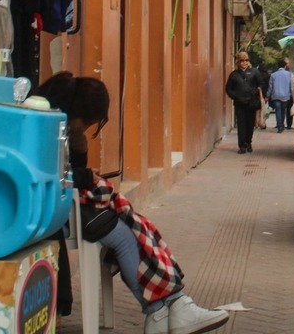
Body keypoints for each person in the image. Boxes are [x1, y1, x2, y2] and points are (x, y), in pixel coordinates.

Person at [33, 73, 228, 334]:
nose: (86, 128)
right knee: (125, 235)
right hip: (49, 211)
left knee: (135, 227)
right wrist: (83, 173)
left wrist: (79, 152)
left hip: (63, 206)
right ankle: (165, 307)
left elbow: (69, 172)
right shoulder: (42, 127)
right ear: (75, 111)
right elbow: (54, 175)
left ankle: (168, 306)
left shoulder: (59, 127)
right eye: (87, 122)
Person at [225, 51, 260, 153]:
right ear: (238, 62)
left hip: (251, 103)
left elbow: (261, 84)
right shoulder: (234, 75)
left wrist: (256, 92)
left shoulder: (254, 72)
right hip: (240, 103)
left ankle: (248, 142)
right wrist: (235, 97)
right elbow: (228, 89)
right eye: (242, 60)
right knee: (241, 125)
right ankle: (242, 146)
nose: (244, 62)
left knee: (250, 124)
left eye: (246, 60)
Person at [267, 57, 293, 133]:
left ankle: (280, 126)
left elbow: (270, 87)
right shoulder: (289, 74)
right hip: (285, 95)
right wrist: (291, 93)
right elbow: (291, 85)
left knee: (278, 111)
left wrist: (267, 95)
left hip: (276, 95)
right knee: (283, 111)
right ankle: (282, 124)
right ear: (285, 66)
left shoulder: (273, 75)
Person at [255, 62, 271, 129]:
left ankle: (256, 123)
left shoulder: (257, 75)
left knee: (257, 109)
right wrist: (267, 96)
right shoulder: (268, 76)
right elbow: (269, 86)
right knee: (263, 109)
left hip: (257, 94)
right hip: (264, 94)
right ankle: (263, 122)